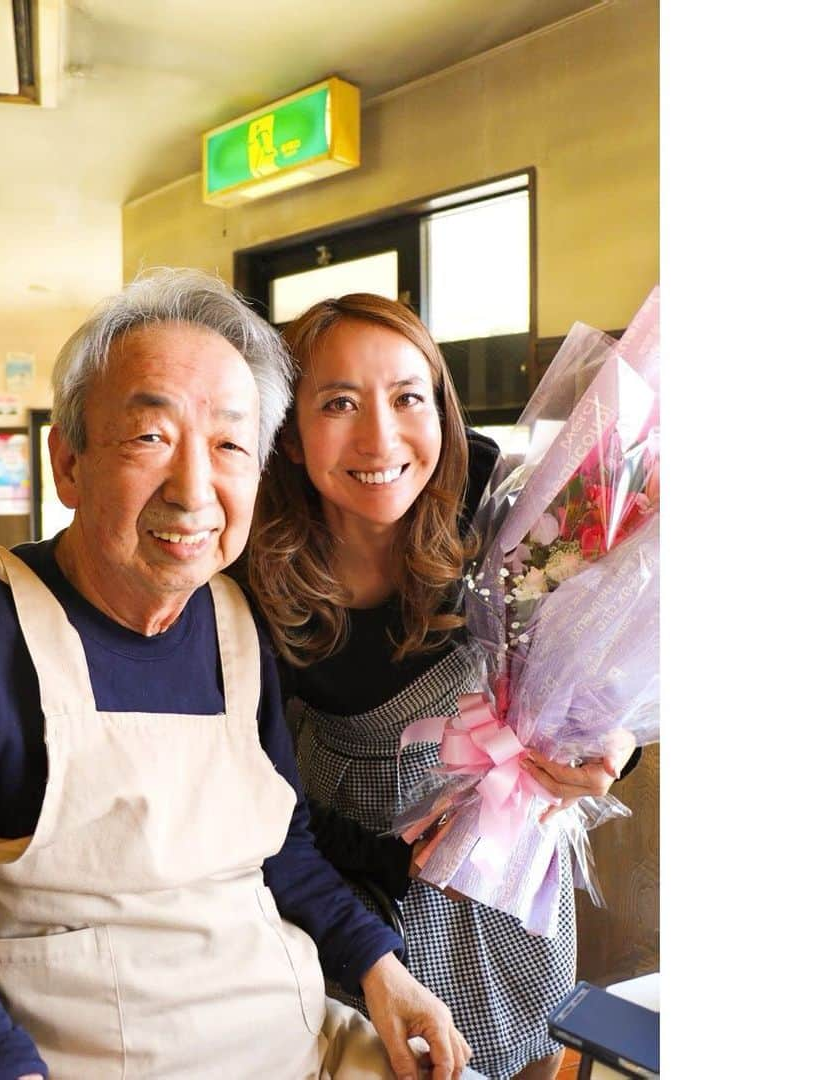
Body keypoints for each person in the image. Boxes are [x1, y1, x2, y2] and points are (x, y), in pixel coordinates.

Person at [0, 270, 474, 1080]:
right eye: (151, 438)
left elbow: (280, 843)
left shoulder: (234, 621)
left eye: (228, 444)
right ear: (69, 461)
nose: (194, 491)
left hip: (305, 1043)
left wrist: (383, 973)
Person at [245, 294, 640, 1080]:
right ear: (288, 433)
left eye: (406, 398)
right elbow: (261, 796)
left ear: (440, 409)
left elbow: (598, 657)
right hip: (351, 867)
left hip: (506, 844)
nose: (379, 436)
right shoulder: (252, 566)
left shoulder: (491, 494)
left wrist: (609, 746)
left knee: (535, 1044)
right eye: (339, 403)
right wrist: (394, 863)